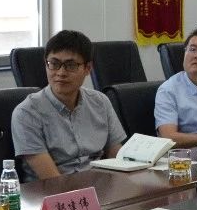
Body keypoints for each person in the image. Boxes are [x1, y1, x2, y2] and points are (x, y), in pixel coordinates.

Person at [12, 29, 127, 180]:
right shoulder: (27, 112)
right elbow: (52, 179)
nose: (61, 73)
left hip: (100, 184)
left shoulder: (100, 102)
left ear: (88, 68)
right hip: (53, 190)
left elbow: (117, 159)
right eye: (54, 64)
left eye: (71, 65)